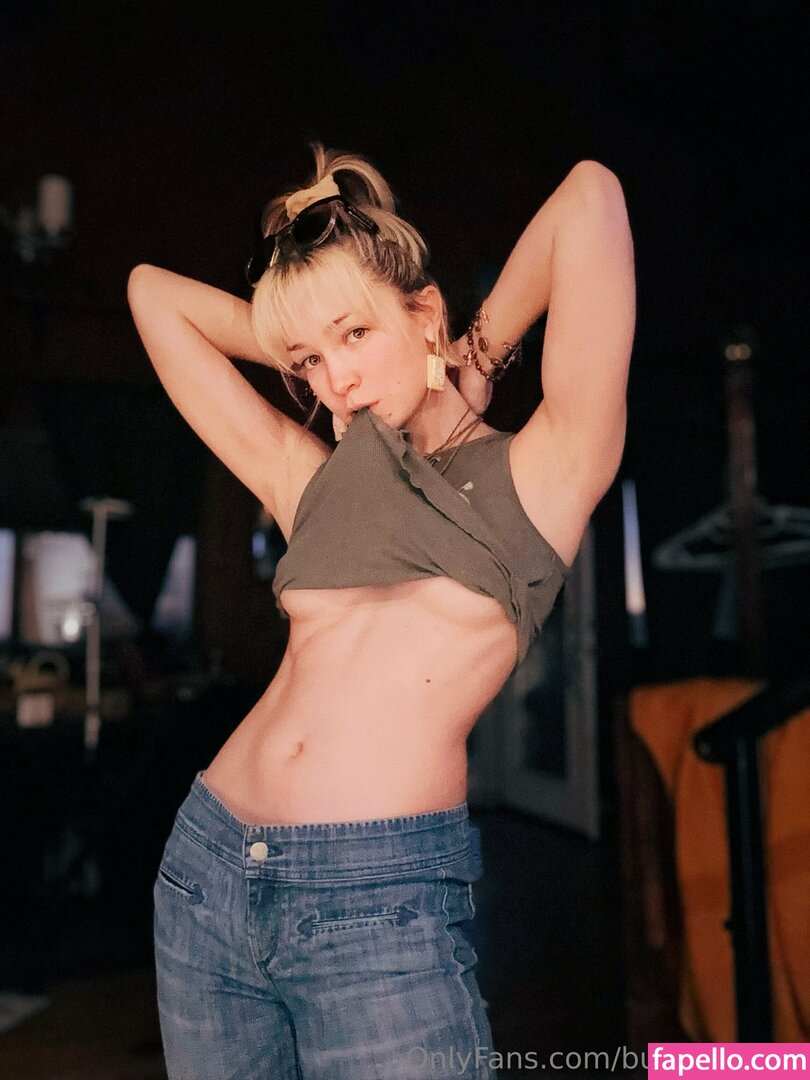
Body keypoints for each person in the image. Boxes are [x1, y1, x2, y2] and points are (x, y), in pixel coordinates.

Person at [128, 144, 635, 1080]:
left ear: (425, 311)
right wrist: (315, 328)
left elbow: (590, 199)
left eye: (355, 335)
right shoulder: (314, 483)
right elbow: (150, 295)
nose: (335, 383)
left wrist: (473, 351)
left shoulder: (545, 472)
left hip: (376, 905)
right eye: (308, 362)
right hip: (206, 874)